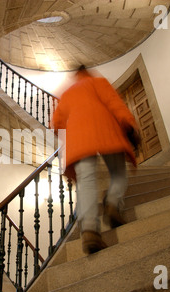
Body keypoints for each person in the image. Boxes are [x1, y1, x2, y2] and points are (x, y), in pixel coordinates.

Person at [52, 65, 141, 255]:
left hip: (80, 140)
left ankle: (90, 231)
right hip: (107, 131)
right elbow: (114, 103)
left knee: (87, 183)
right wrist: (128, 122)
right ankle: (112, 203)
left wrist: (68, 131)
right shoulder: (98, 82)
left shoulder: (67, 94)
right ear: (88, 72)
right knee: (118, 174)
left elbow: (56, 123)